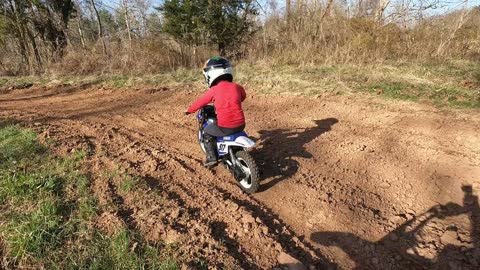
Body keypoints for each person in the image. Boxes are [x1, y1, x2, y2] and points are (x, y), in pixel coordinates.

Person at [185, 57, 247, 167]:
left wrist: (189, 110)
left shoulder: (214, 90)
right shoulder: (237, 87)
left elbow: (200, 102)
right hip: (241, 124)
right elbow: (243, 97)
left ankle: (211, 158)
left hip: (225, 127)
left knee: (207, 132)